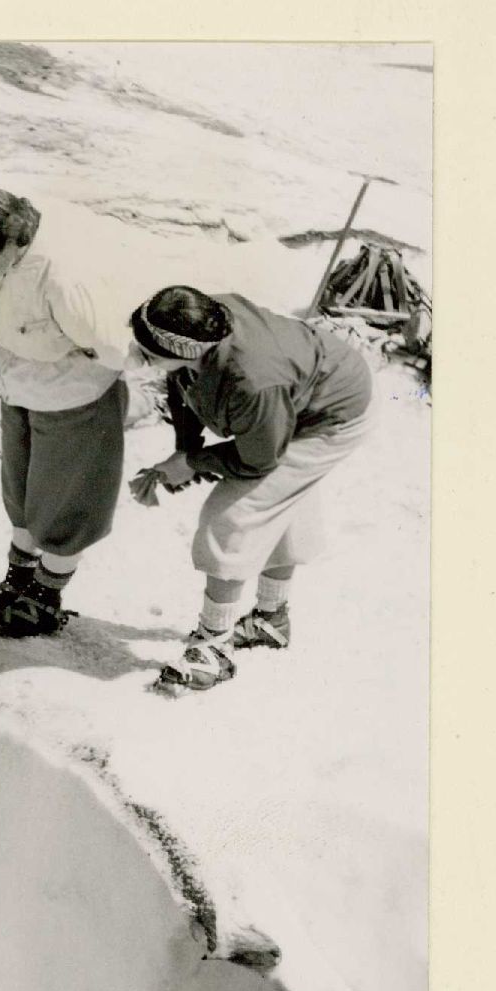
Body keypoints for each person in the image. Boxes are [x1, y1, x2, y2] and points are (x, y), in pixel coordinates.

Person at [127, 284, 374, 694]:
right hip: (297, 397)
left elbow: (258, 459)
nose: (139, 359)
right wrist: (185, 448)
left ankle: (213, 646)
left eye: (149, 354)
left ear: (187, 349)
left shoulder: (253, 379)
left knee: (234, 514)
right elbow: (182, 383)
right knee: (278, 503)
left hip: (332, 413)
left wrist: (193, 463)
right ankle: (270, 620)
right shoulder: (202, 321)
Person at [0, 185, 129, 636]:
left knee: (65, 508)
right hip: (21, 392)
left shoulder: (63, 275)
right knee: (22, 499)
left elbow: (112, 347)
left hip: (73, 403)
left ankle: (44, 597)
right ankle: (17, 584)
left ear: (4, 243)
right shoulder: (4, 262)